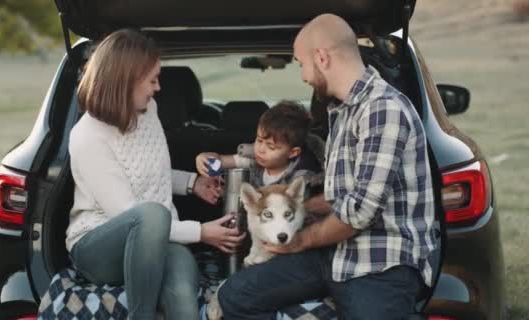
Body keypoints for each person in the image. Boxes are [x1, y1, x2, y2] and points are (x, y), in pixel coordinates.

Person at [217, 14, 438, 320]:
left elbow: (360, 211)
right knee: (234, 296)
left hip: (380, 263)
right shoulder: (342, 111)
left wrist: (300, 241)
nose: (303, 76)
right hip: (332, 254)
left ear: (321, 58)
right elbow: (341, 196)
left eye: (300, 64)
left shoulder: (383, 109)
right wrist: (300, 208)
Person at [65, 29, 245, 320]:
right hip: (97, 247)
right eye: (152, 80)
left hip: (158, 237)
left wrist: (193, 183)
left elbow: (152, 175)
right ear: (125, 81)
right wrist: (201, 232)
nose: (158, 88)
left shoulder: (148, 111)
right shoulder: (87, 137)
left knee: (183, 296)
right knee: (153, 215)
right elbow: (132, 213)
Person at [195, 100, 323, 191]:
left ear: (293, 152)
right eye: (259, 140)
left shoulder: (301, 179)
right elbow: (221, 161)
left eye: (271, 147)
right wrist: (205, 158)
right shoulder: (254, 160)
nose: (261, 150)